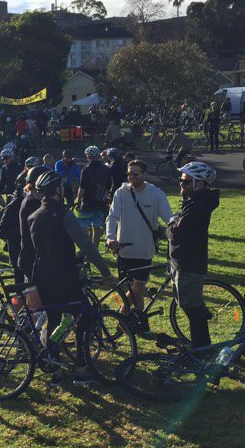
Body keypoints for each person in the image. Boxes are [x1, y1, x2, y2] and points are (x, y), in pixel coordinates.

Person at [20, 171, 116, 379]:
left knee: (54, 320)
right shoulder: (64, 214)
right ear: (57, 189)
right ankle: (82, 367)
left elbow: (29, 251)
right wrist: (105, 272)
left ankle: (53, 364)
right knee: (83, 318)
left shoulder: (33, 217)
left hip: (42, 277)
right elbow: (86, 245)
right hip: (64, 277)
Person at [105, 159, 173, 331]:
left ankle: (121, 319)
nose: (131, 177)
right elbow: (112, 217)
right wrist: (110, 237)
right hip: (124, 250)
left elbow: (169, 219)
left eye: (135, 173)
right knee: (137, 292)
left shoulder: (156, 194)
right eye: (129, 173)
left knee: (138, 287)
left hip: (144, 251)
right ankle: (140, 324)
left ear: (145, 175)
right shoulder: (121, 193)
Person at [168, 162, 219, 349]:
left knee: (191, 307)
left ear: (200, 184)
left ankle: (201, 348)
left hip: (189, 263)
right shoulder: (193, 203)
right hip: (184, 261)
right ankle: (201, 345)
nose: (181, 185)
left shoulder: (197, 207)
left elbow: (176, 233)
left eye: (186, 182)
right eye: (181, 181)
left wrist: (170, 224)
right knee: (190, 306)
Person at [76, 145, 113, 245]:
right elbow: (108, 186)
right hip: (101, 202)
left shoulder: (86, 170)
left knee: (83, 226)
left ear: (88, 156)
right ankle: (95, 248)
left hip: (88, 202)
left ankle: (86, 248)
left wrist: (78, 202)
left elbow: (82, 188)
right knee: (97, 227)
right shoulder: (106, 169)